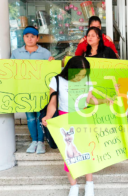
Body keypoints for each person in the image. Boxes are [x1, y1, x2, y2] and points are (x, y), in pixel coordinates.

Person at [41, 56, 111, 196]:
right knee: (69, 156)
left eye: (84, 75)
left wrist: (106, 101)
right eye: (79, 74)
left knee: (87, 153)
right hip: (65, 119)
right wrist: (48, 116)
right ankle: (74, 186)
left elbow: (90, 99)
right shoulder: (56, 80)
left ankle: (89, 184)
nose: (81, 78)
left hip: (84, 119)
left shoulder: (87, 80)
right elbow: (53, 102)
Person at [11, 26, 55, 154]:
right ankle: (34, 141)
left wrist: (51, 63)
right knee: (30, 117)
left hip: (41, 91)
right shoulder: (16, 53)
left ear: (37, 38)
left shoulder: (45, 53)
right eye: (27, 36)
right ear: (23, 37)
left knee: (40, 116)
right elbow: (11, 71)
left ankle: (41, 142)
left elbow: (50, 72)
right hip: (24, 90)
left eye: (32, 36)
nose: (29, 39)